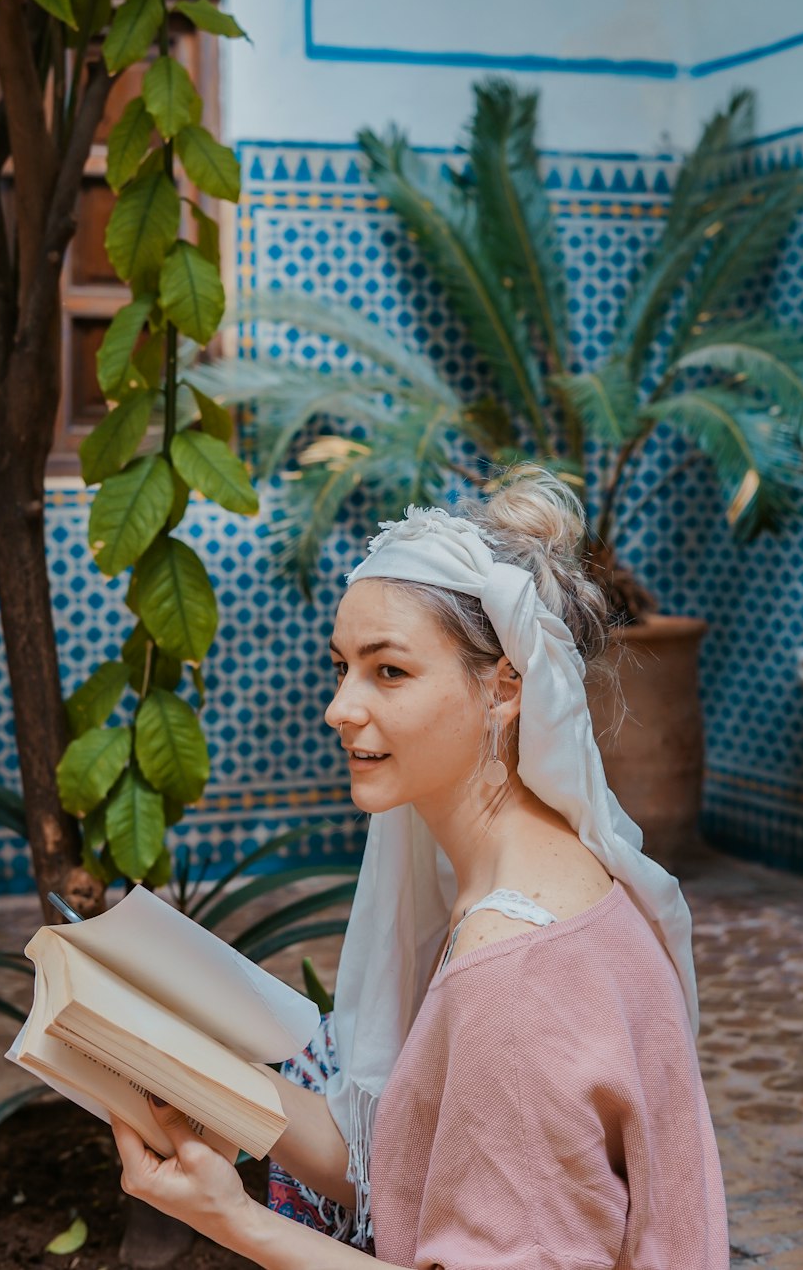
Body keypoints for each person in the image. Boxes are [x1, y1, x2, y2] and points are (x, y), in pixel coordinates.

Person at [111, 466, 729, 1269]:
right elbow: (398, 1163)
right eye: (341, 667)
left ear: (506, 687)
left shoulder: (510, 977)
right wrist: (198, 1074)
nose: (340, 707)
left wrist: (238, 1223)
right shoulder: (543, 873)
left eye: (388, 670)